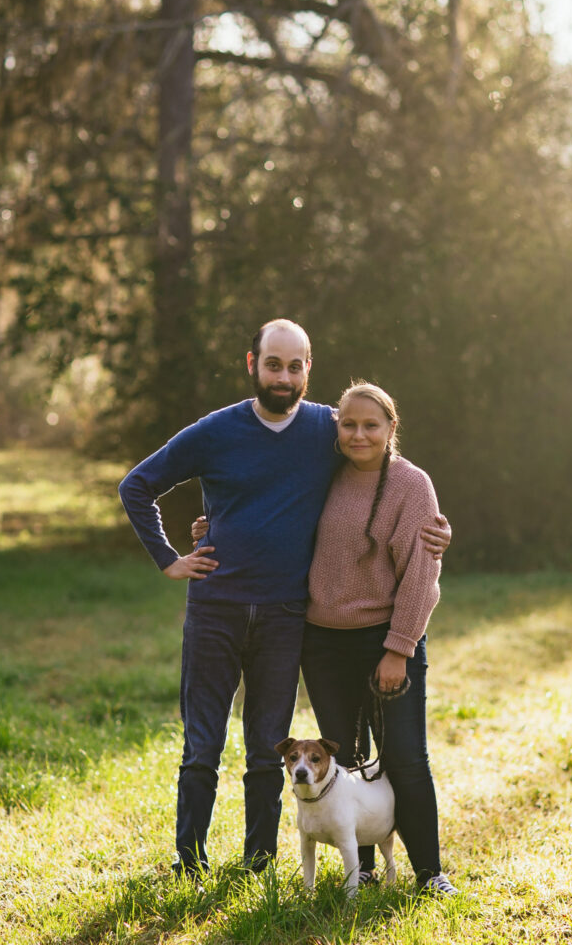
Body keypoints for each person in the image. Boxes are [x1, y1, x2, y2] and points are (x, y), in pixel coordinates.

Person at [118, 319, 451, 878]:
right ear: (253, 365)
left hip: (287, 617)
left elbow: (397, 490)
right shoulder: (227, 431)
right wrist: (173, 555)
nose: (283, 375)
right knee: (203, 746)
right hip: (234, 613)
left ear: (308, 370)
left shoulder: (328, 427)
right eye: (273, 363)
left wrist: (440, 534)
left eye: (295, 365)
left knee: (272, 754)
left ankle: (263, 865)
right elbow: (138, 484)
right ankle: (190, 862)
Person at [301, 380, 458, 895]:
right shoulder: (325, 475)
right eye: (349, 424)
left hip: (386, 642)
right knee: (344, 760)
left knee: (405, 759)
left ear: (392, 428)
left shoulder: (411, 485)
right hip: (323, 643)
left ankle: (429, 873)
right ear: (337, 429)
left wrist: (398, 649)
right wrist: (211, 528)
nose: (359, 434)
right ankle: (362, 869)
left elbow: (420, 574)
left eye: (371, 425)